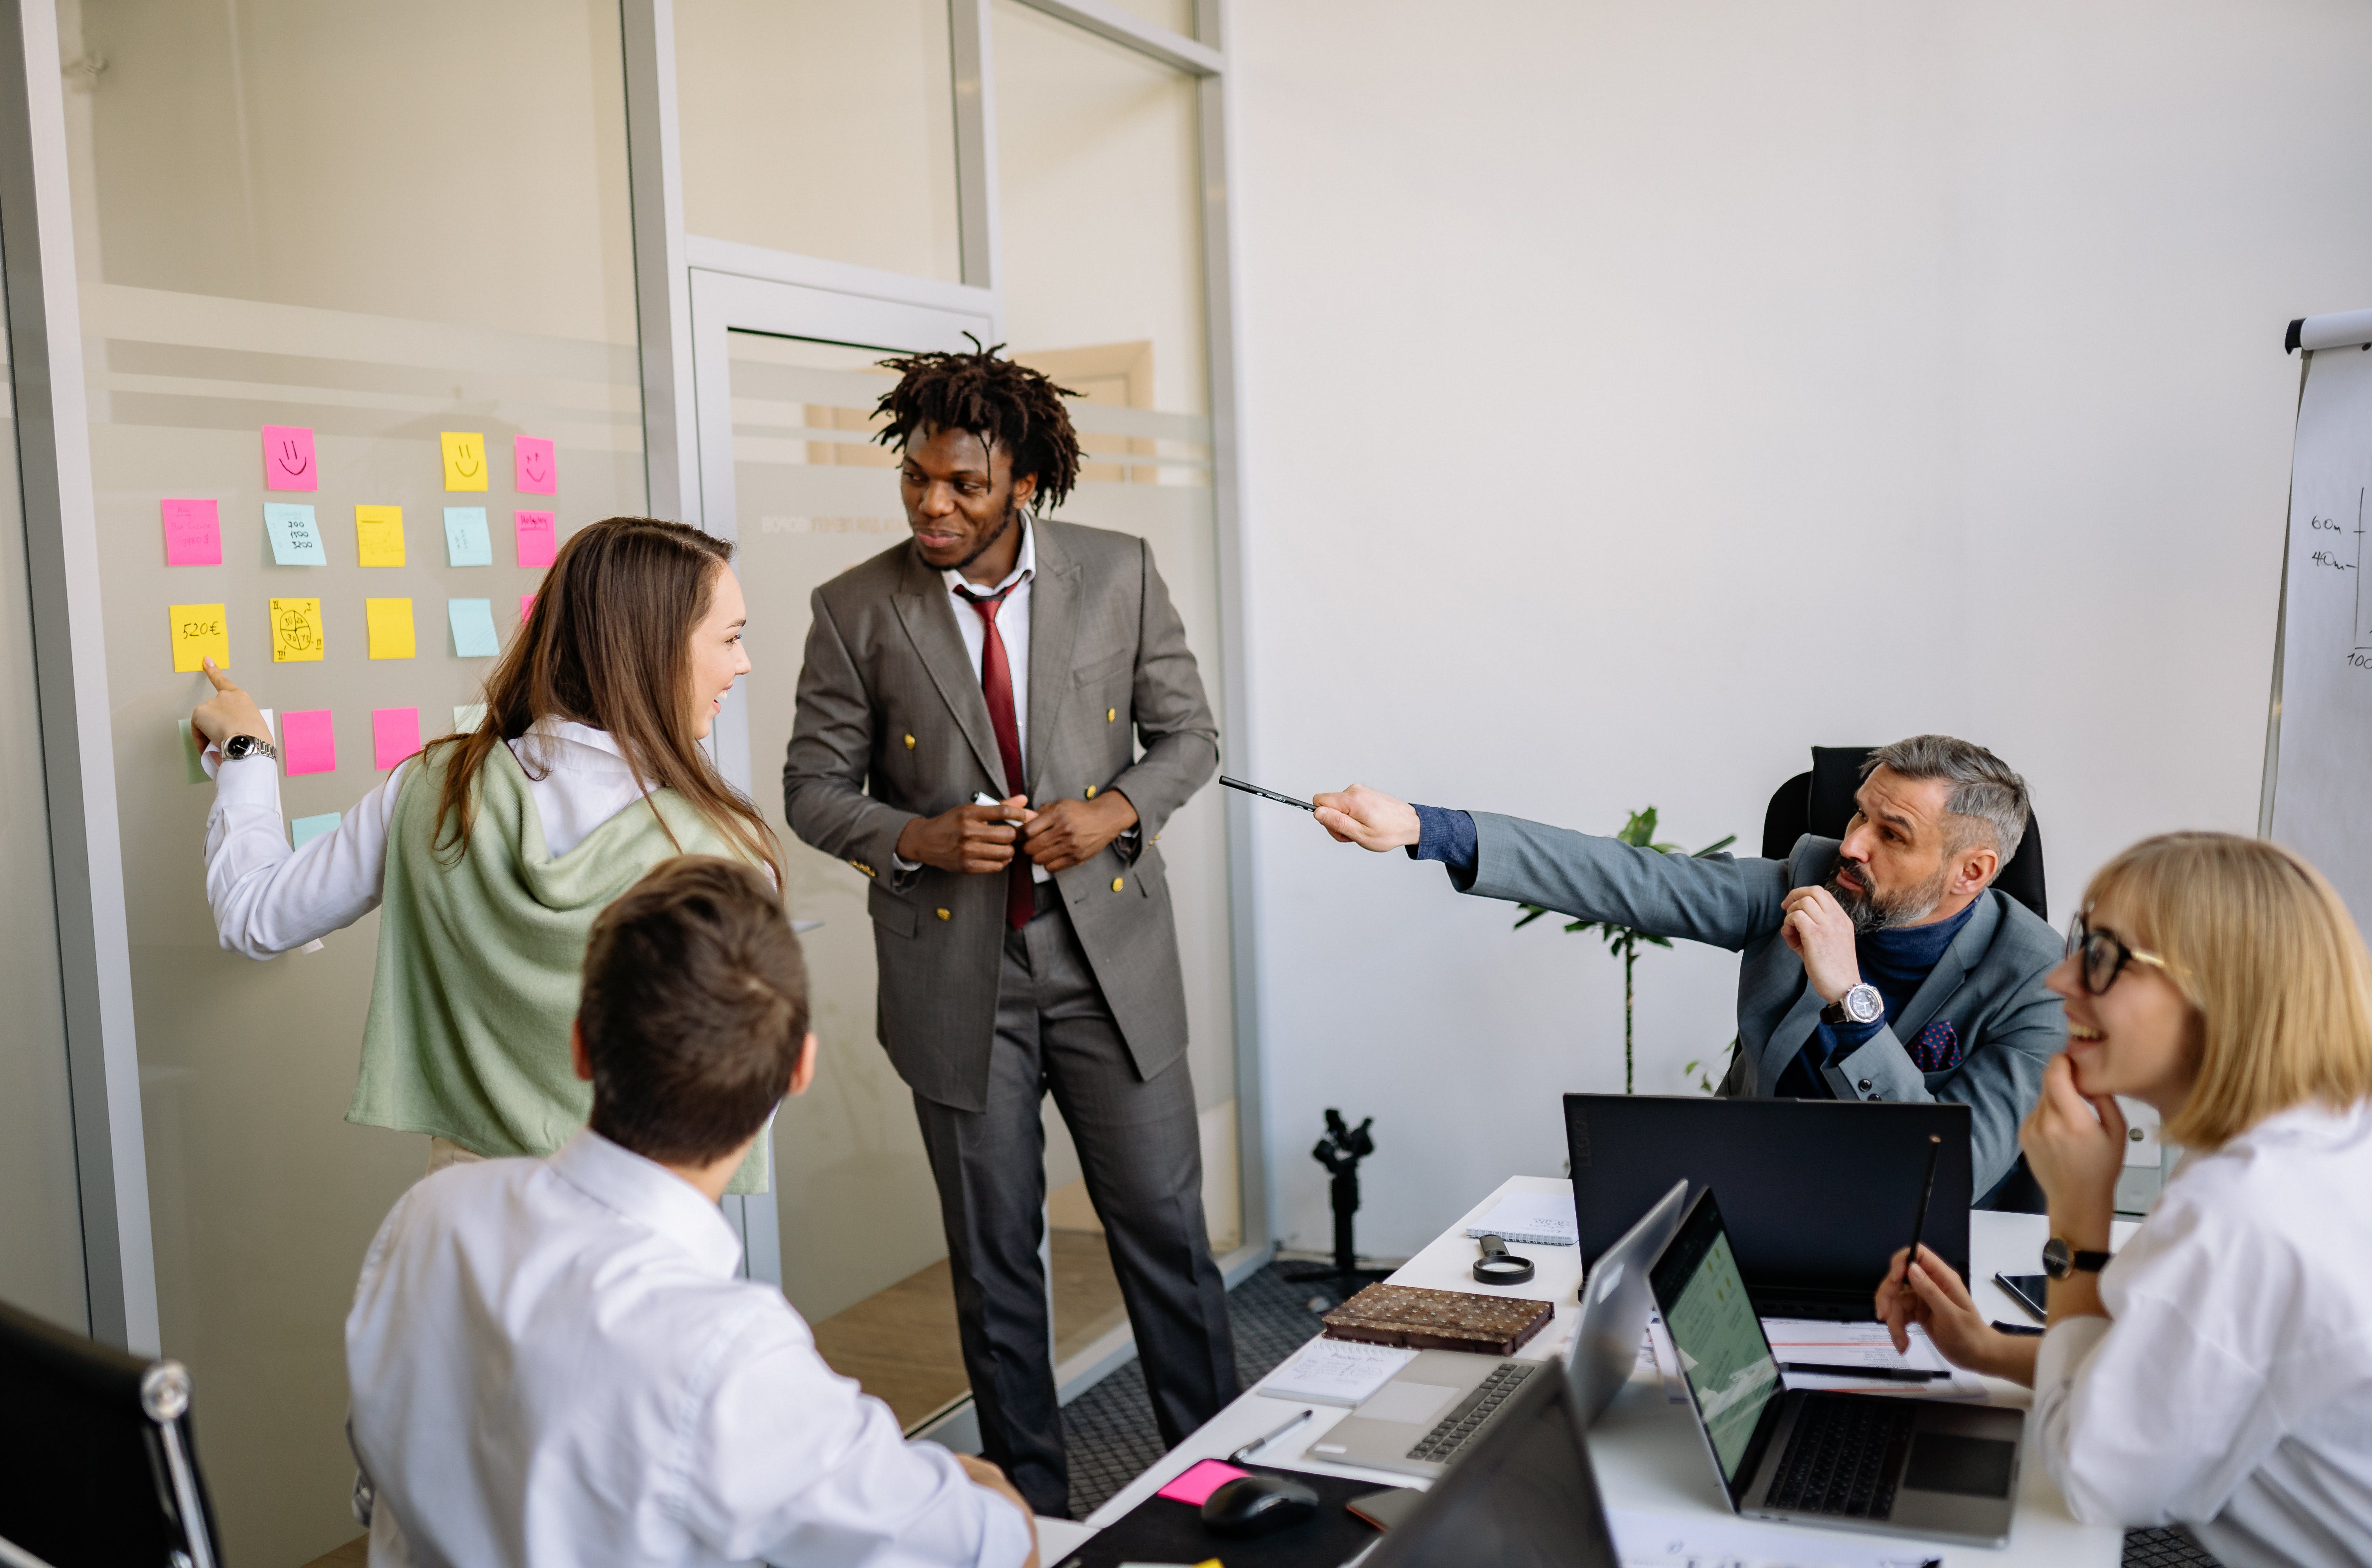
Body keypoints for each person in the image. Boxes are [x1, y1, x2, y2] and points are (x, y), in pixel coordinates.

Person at [782, 345, 1235, 1517]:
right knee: (995, 1268)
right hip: (958, 986)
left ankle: (1220, 1491)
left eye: (964, 487)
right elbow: (811, 789)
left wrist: (1116, 810)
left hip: (1109, 969)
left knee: (1169, 1243)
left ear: (1022, 483)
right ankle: (1030, 1517)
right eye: (917, 481)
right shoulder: (855, 610)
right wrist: (918, 838)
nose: (934, 506)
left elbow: (1190, 738)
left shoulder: (1120, 573)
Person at [346, 855, 1039, 1568]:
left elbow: (379, 1472)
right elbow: (994, 1545)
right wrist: (970, 1478)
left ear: (581, 1046)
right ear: (799, 1069)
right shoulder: (731, 1357)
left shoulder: (432, 1215)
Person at [191, 517, 781, 1190]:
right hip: (643, 1213)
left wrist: (248, 752)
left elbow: (255, 917)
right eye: (731, 639)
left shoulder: (437, 792)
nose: (743, 663)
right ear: (653, 648)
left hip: (469, 1215)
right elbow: (743, 1090)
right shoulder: (721, 852)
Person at [1875, 834, 2372, 1567]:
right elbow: (2165, 1375)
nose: (2060, 981)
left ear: (2222, 988)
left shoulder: (2245, 1213)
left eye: (2104, 957)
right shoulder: (2323, 1142)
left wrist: (2078, 1210)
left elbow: (2096, 1475)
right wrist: (1989, 1350)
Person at [1313, 735, 2062, 1198]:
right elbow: (1626, 879)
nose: (1854, 845)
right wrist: (1425, 828)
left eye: (1891, 834)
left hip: (1907, 1241)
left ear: (1973, 871)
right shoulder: (1803, 881)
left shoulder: (2038, 982)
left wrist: (1851, 997)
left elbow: (1952, 1170)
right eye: (1858, 815)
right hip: (1754, 1187)